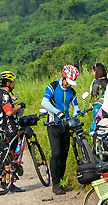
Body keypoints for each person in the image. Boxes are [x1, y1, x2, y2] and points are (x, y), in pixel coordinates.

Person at [41, 65, 80, 195]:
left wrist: (76, 114)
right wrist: (57, 112)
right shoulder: (52, 86)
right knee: (56, 153)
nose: (69, 85)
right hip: (53, 124)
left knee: (64, 154)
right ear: (63, 77)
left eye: (71, 83)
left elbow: (75, 106)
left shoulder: (72, 91)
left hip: (66, 124)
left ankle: (61, 182)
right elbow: (45, 102)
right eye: (68, 82)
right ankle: (55, 183)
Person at [0, 71, 26, 192]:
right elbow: (8, 112)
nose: (14, 84)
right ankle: (10, 184)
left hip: (0, 128)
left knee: (4, 155)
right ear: (8, 83)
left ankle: (3, 183)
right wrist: (19, 106)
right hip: (9, 129)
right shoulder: (6, 96)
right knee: (10, 156)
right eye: (13, 82)